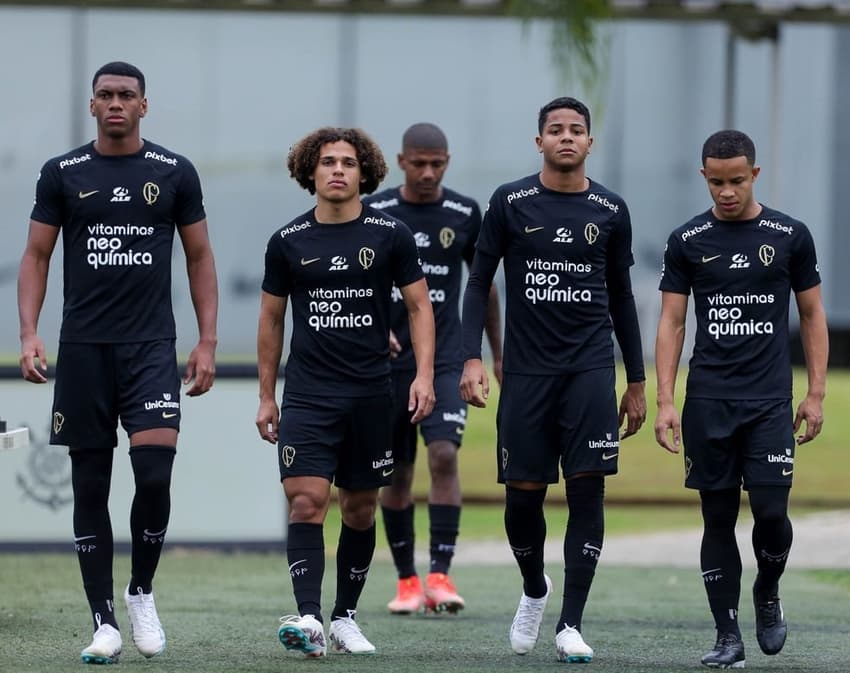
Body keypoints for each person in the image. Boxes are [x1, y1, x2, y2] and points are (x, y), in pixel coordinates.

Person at [17, 61, 218, 665]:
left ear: (144, 106)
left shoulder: (174, 171)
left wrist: (206, 341)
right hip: (82, 351)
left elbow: (201, 256)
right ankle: (103, 620)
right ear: (91, 104)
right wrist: (29, 332)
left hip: (150, 348)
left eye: (126, 95)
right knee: (90, 486)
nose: (115, 104)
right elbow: (35, 255)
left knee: (155, 475)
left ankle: (141, 592)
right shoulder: (63, 172)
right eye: (105, 95)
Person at [460, 96, 646, 663]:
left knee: (588, 489)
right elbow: (478, 282)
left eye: (577, 130)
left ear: (590, 142)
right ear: (538, 141)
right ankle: (535, 589)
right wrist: (470, 357)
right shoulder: (510, 202)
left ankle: (570, 623)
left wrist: (636, 380)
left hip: (589, 370)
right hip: (526, 372)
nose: (567, 137)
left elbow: (621, 298)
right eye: (555, 130)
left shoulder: (611, 210)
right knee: (522, 499)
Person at [256, 126, 436, 657]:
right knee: (307, 500)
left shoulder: (390, 235)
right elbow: (270, 320)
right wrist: (267, 396)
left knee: (359, 509)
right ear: (309, 171)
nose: (338, 170)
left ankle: (344, 617)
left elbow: (421, 307)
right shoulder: (287, 241)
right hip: (310, 395)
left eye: (349, 163)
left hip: (370, 394)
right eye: (328, 162)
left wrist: (423, 376)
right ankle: (309, 619)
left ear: (365, 173)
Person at [654, 129, 828, 669]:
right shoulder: (687, 241)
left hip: (770, 401)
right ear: (703, 176)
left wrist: (815, 393)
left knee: (772, 513)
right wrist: (665, 399)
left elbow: (813, 314)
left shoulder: (790, 235)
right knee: (718, 516)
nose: (725, 192)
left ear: (754, 175)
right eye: (716, 182)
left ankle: (768, 590)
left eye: (735, 181)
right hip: (708, 400)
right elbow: (672, 322)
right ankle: (727, 635)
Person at [363, 123, 503, 615]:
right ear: (401, 161)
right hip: (390, 364)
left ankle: (441, 575)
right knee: (396, 474)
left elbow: (483, 284)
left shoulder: (465, 213)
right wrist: (374, 326)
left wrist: (492, 353)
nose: (427, 173)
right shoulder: (376, 211)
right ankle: (406, 581)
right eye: (418, 163)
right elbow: (358, 279)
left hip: (443, 359)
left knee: (443, 455)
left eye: (436, 164)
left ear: (447, 162)